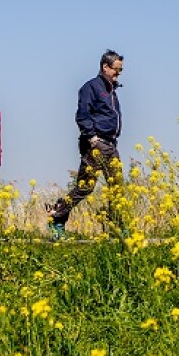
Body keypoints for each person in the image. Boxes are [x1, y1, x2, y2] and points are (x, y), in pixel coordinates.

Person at [47, 49, 125, 239]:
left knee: (117, 187)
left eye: (121, 70)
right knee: (85, 186)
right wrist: (92, 137)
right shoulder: (91, 87)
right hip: (97, 143)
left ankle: (116, 230)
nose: (119, 73)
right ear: (105, 67)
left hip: (111, 144)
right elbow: (82, 114)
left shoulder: (112, 90)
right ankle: (57, 216)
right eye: (116, 69)